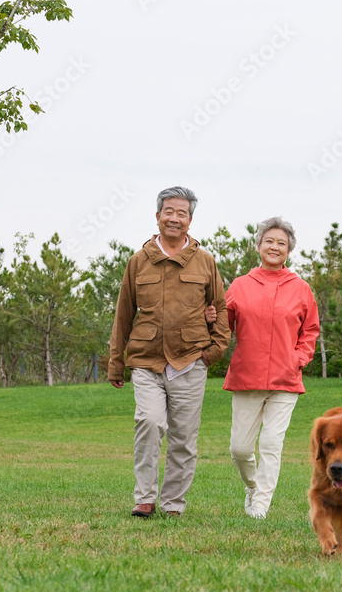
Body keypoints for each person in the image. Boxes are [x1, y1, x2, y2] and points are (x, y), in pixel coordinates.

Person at [108, 186, 230, 518]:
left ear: (190, 220)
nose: (175, 218)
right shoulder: (138, 261)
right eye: (169, 212)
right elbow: (123, 315)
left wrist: (213, 352)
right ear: (158, 215)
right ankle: (144, 497)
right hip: (147, 360)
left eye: (182, 213)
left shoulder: (205, 261)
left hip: (191, 360)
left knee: (184, 439)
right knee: (148, 422)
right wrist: (115, 364)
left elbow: (220, 308)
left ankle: (174, 504)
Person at [220, 217, 320, 519]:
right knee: (239, 448)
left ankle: (261, 505)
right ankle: (252, 486)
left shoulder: (300, 288)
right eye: (269, 241)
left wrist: (298, 359)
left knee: (272, 444)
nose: (275, 247)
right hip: (246, 377)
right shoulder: (240, 286)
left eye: (281, 243)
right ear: (259, 245)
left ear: (289, 250)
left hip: (285, 380)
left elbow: (311, 330)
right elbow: (223, 328)